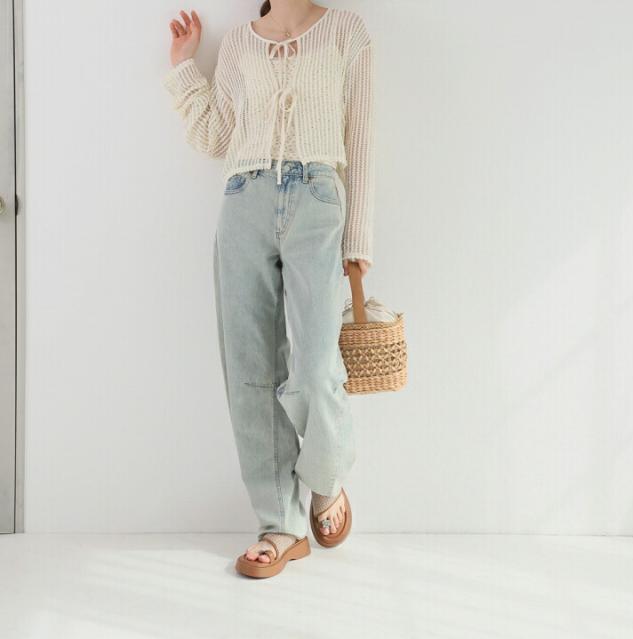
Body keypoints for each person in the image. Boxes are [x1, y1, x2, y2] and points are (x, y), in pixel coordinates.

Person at [163, 0, 375, 578]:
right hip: (243, 201)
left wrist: (358, 238)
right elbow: (217, 137)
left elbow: (360, 138)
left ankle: (326, 477)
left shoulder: (346, 31)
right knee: (250, 370)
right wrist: (185, 68)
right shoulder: (238, 43)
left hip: (318, 200)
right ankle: (279, 522)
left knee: (316, 365)